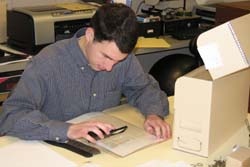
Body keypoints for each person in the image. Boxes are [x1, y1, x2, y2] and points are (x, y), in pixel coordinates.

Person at [0, 3, 171, 144]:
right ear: (90, 35)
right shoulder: (47, 63)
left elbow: (144, 88)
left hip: (104, 148)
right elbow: (11, 116)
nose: (110, 67)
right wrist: (68, 129)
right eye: (106, 56)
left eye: (117, 61)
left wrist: (153, 114)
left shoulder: (122, 59)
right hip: (55, 148)